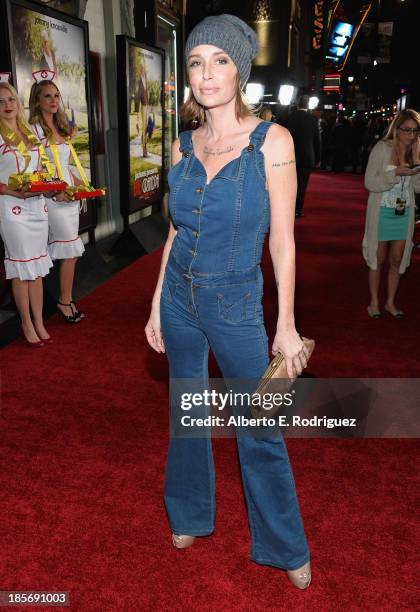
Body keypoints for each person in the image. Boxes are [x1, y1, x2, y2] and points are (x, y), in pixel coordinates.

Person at [145, 14, 311, 589]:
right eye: (196, 61)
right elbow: (173, 232)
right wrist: (153, 305)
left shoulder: (273, 141)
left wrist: (285, 326)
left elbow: (284, 240)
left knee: (258, 427)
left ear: (239, 68)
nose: (206, 73)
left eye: (219, 60)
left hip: (238, 302)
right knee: (187, 414)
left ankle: (284, 545)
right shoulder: (182, 144)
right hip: (179, 299)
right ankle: (189, 512)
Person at [0, 78, 53, 346]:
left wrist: (47, 180)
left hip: (37, 205)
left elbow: (40, 168)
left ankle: (39, 320)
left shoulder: (31, 130)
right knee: (22, 270)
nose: (7, 105)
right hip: (12, 208)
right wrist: (10, 191)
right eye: (1, 101)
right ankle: (26, 323)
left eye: (11, 99)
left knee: (38, 267)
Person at [28, 77, 86, 323]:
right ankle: (64, 301)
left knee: (69, 251)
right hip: (51, 197)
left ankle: (65, 299)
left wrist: (79, 183)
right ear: (37, 101)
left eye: (56, 96)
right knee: (69, 249)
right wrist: (54, 190)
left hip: (68, 196)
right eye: (47, 96)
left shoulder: (61, 126)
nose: (53, 101)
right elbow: (35, 168)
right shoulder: (33, 130)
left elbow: (64, 165)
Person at [363, 109, 420, 318]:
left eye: (415, 131)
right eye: (407, 130)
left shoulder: (416, 151)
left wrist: (417, 163)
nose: (411, 135)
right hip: (381, 211)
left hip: (403, 213)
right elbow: (369, 182)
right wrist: (395, 173)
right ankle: (374, 303)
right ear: (396, 129)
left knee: (396, 259)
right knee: (378, 258)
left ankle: (390, 302)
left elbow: (417, 187)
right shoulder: (382, 148)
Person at [284, 95, 320, 217]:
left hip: (289, 157)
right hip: (306, 157)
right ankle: (297, 210)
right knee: (302, 185)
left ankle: (287, 209)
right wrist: (318, 158)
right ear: (308, 105)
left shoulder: (288, 118)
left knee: (288, 185)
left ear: (297, 104)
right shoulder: (313, 119)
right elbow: (317, 141)